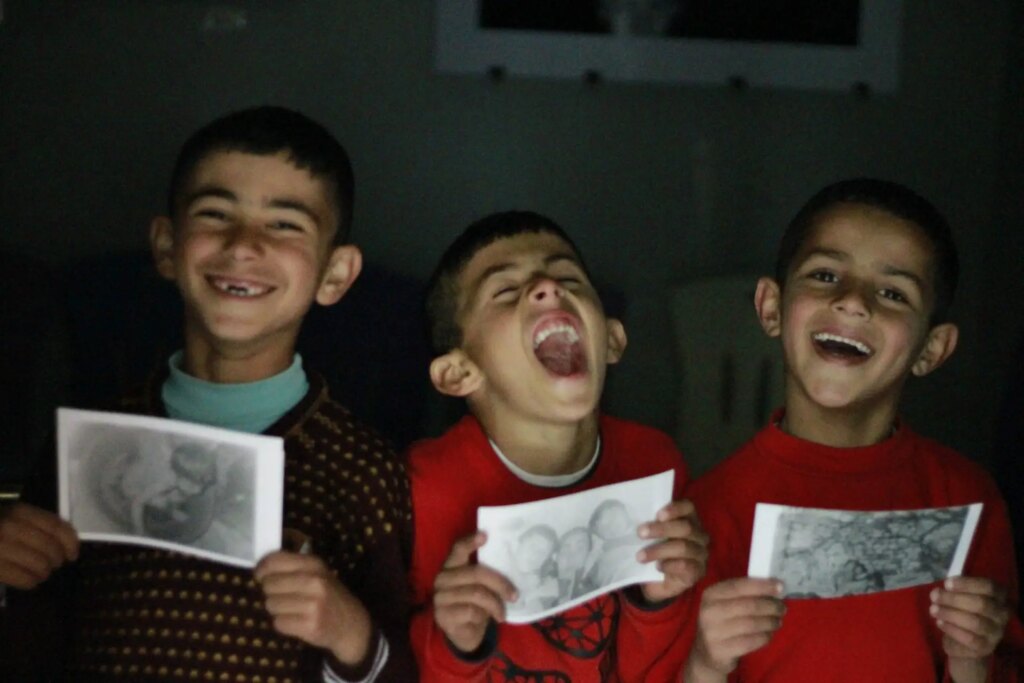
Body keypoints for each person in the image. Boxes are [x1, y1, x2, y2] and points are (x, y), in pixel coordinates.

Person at [0, 106, 415, 681]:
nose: (244, 244)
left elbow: (407, 667)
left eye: (285, 224)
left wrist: (350, 634)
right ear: (168, 246)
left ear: (335, 274)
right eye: (216, 213)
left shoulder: (363, 471)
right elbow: (32, 641)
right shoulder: (86, 448)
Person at [682, 178, 1023, 682]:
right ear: (771, 307)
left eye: (892, 292)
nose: (853, 302)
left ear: (932, 349)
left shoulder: (968, 500)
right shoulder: (708, 512)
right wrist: (704, 664)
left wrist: (973, 661)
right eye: (824, 275)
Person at [407, 210, 708, 681]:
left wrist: (662, 601)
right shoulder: (418, 492)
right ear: (458, 373)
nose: (548, 288)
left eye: (568, 276)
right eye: (506, 291)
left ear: (611, 339)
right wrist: (457, 646)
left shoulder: (654, 464)